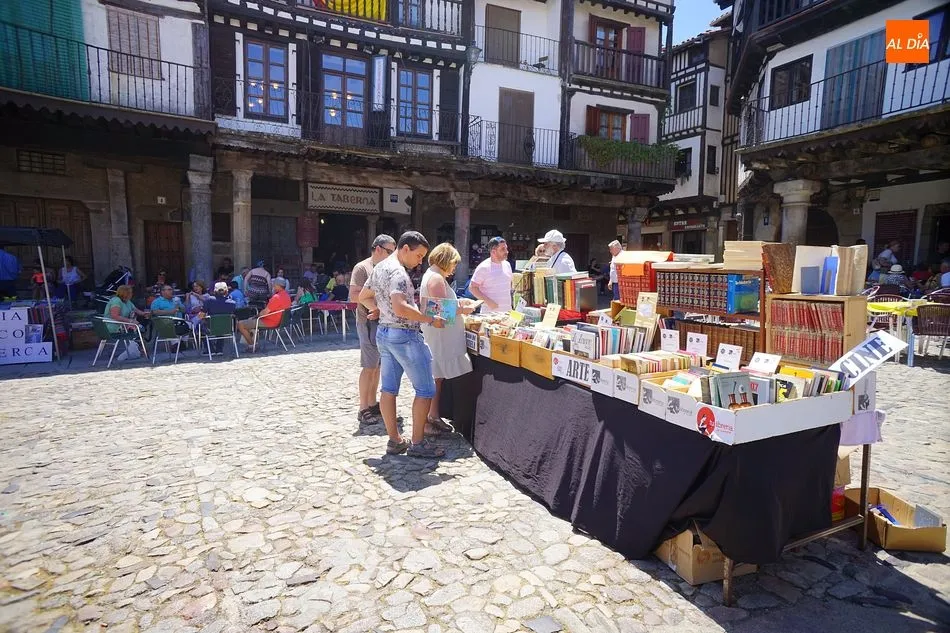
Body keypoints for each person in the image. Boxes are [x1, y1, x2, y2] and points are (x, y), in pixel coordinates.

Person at [358, 231, 447, 459]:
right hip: (405, 335)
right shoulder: (398, 272)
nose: (420, 261)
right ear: (405, 248)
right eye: (419, 256)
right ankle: (418, 443)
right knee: (426, 389)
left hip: (384, 332)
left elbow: (363, 296)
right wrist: (429, 319)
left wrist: (378, 309)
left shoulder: (380, 267)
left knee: (389, 389)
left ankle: (395, 440)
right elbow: (400, 307)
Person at [420, 243, 475, 436]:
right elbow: (441, 310)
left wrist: (459, 303)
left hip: (439, 335)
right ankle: (429, 418)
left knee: (438, 376)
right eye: (454, 263)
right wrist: (464, 309)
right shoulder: (436, 278)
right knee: (436, 376)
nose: (454, 268)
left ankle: (433, 415)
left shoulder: (434, 275)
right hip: (441, 336)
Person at [349, 234, 396, 427]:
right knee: (369, 366)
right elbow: (354, 295)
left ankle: (371, 402)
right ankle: (363, 408)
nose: (392, 255)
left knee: (377, 366)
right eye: (389, 251)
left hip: (382, 322)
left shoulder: (386, 268)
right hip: (367, 322)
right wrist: (375, 305)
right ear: (378, 249)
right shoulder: (362, 268)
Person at [236, 278, 292, 351]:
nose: (273, 286)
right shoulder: (287, 296)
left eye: (274, 285)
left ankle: (252, 345)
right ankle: (253, 343)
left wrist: (257, 316)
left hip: (270, 322)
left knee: (240, 324)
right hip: (280, 321)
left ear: (278, 285)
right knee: (250, 321)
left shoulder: (276, 297)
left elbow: (264, 312)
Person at [103, 284, 150, 361]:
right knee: (138, 328)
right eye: (131, 292)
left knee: (141, 326)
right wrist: (131, 321)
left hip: (124, 324)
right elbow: (115, 316)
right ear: (126, 293)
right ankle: (138, 349)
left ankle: (137, 348)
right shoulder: (116, 301)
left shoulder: (127, 301)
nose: (132, 294)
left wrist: (144, 314)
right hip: (113, 326)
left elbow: (135, 310)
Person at [469, 236, 513, 313]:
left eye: (506, 248)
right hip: (489, 314)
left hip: (507, 313)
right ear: (493, 252)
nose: (507, 252)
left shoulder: (507, 265)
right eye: (503, 249)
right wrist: (488, 302)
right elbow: (472, 288)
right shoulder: (483, 267)